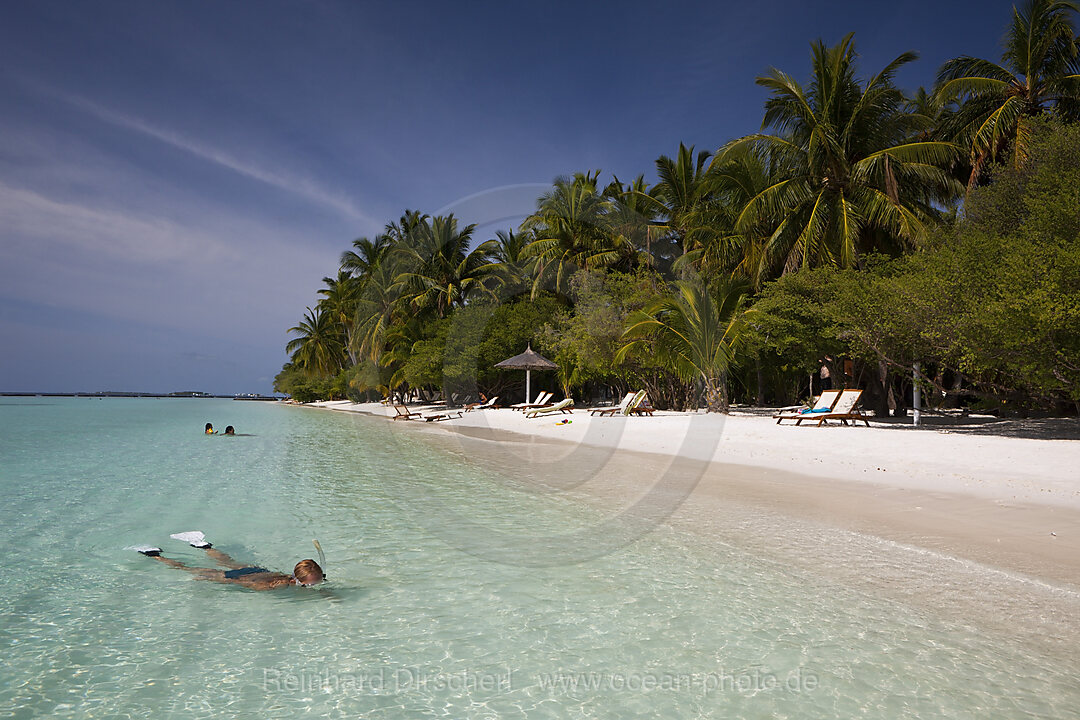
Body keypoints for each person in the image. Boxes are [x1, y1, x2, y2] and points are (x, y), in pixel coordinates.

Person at [132, 532, 325, 590]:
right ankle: (154, 554)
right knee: (190, 570)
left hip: (255, 570)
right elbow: (248, 584)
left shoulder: (292, 578)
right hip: (244, 577)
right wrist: (220, 580)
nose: (319, 582)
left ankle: (204, 546)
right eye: (316, 581)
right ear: (301, 581)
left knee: (227, 560)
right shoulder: (276, 585)